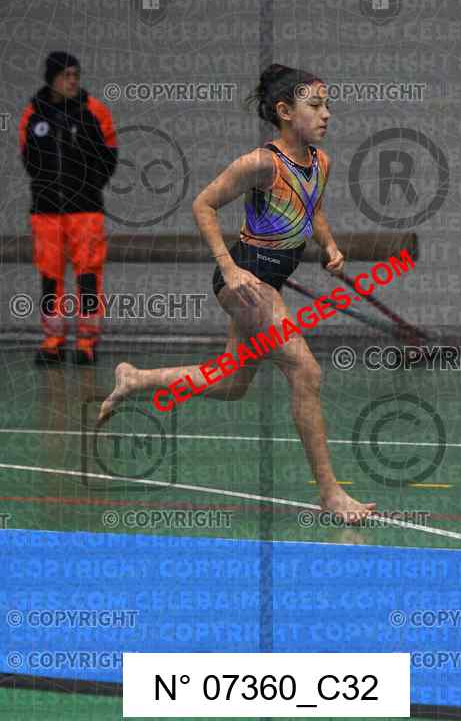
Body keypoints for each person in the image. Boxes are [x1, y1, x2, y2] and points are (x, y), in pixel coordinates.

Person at [97, 64, 376, 523]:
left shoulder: (320, 162)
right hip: (246, 279)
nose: (326, 114)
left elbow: (313, 209)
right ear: (285, 112)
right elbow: (203, 204)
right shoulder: (261, 163)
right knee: (306, 371)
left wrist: (329, 245)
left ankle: (136, 379)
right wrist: (229, 269)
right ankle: (330, 493)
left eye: (327, 105)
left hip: (268, 282)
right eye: (315, 105)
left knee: (230, 383)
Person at [19, 51, 118, 365]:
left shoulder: (94, 111)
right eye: (66, 75)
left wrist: (88, 186)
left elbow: (109, 155)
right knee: (50, 275)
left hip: (85, 209)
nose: (73, 81)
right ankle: (53, 340)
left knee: (88, 274)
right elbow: (28, 158)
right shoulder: (33, 114)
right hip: (45, 210)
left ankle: (86, 342)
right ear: (52, 79)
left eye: (76, 75)